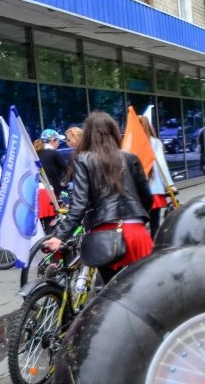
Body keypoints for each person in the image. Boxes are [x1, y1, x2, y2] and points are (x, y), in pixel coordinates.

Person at [42, 111, 153, 284]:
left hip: (104, 236)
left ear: (88, 135)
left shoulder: (83, 159)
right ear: (114, 132)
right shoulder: (130, 158)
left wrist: (59, 236)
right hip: (137, 233)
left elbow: (79, 205)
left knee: (113, 293)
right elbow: (147, 199)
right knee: (141, 293)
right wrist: (137, 219)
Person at [137, 113, 177, 238]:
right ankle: (154, 250)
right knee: (155, 224)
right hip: (154, 190)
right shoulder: (155, 143)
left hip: (138, 192)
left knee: (139, 225)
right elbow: (162, 165)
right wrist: (170, 185)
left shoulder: (131, 144)